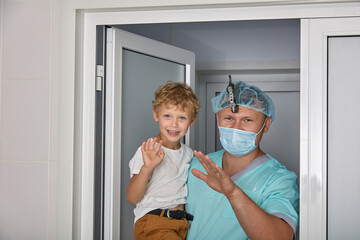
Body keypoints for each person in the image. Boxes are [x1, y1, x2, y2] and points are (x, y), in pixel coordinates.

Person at [186, 80, 299, 240]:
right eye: (229, 118)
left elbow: (280, 237)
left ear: (266, 124)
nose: (236, 128)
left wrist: (233, 193)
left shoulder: (279, 179)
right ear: (218, 119)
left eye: (247, 120)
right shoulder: (196, 165)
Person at [127, 82, 200, 240]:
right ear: (156, 115)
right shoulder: (148, 150)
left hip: (181, 224)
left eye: (181, 117)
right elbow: (133, 197)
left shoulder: (188, 154)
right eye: (167, 116)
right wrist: (147, 168)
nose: (174, 124)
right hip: (154, 222)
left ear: (192, 120)